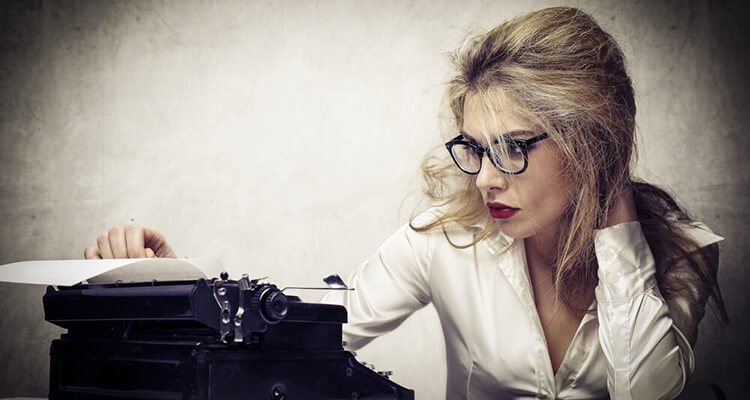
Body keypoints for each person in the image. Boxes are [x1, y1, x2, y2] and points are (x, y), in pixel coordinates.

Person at [85, 7, 727, 399]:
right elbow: (309, 327)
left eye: (511, 148)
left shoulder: (680, 255)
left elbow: (647, 392)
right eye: (474, 148)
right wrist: (179, 283)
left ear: (591, 143)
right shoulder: (444, 239)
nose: (484, 180)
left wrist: (616, 229)